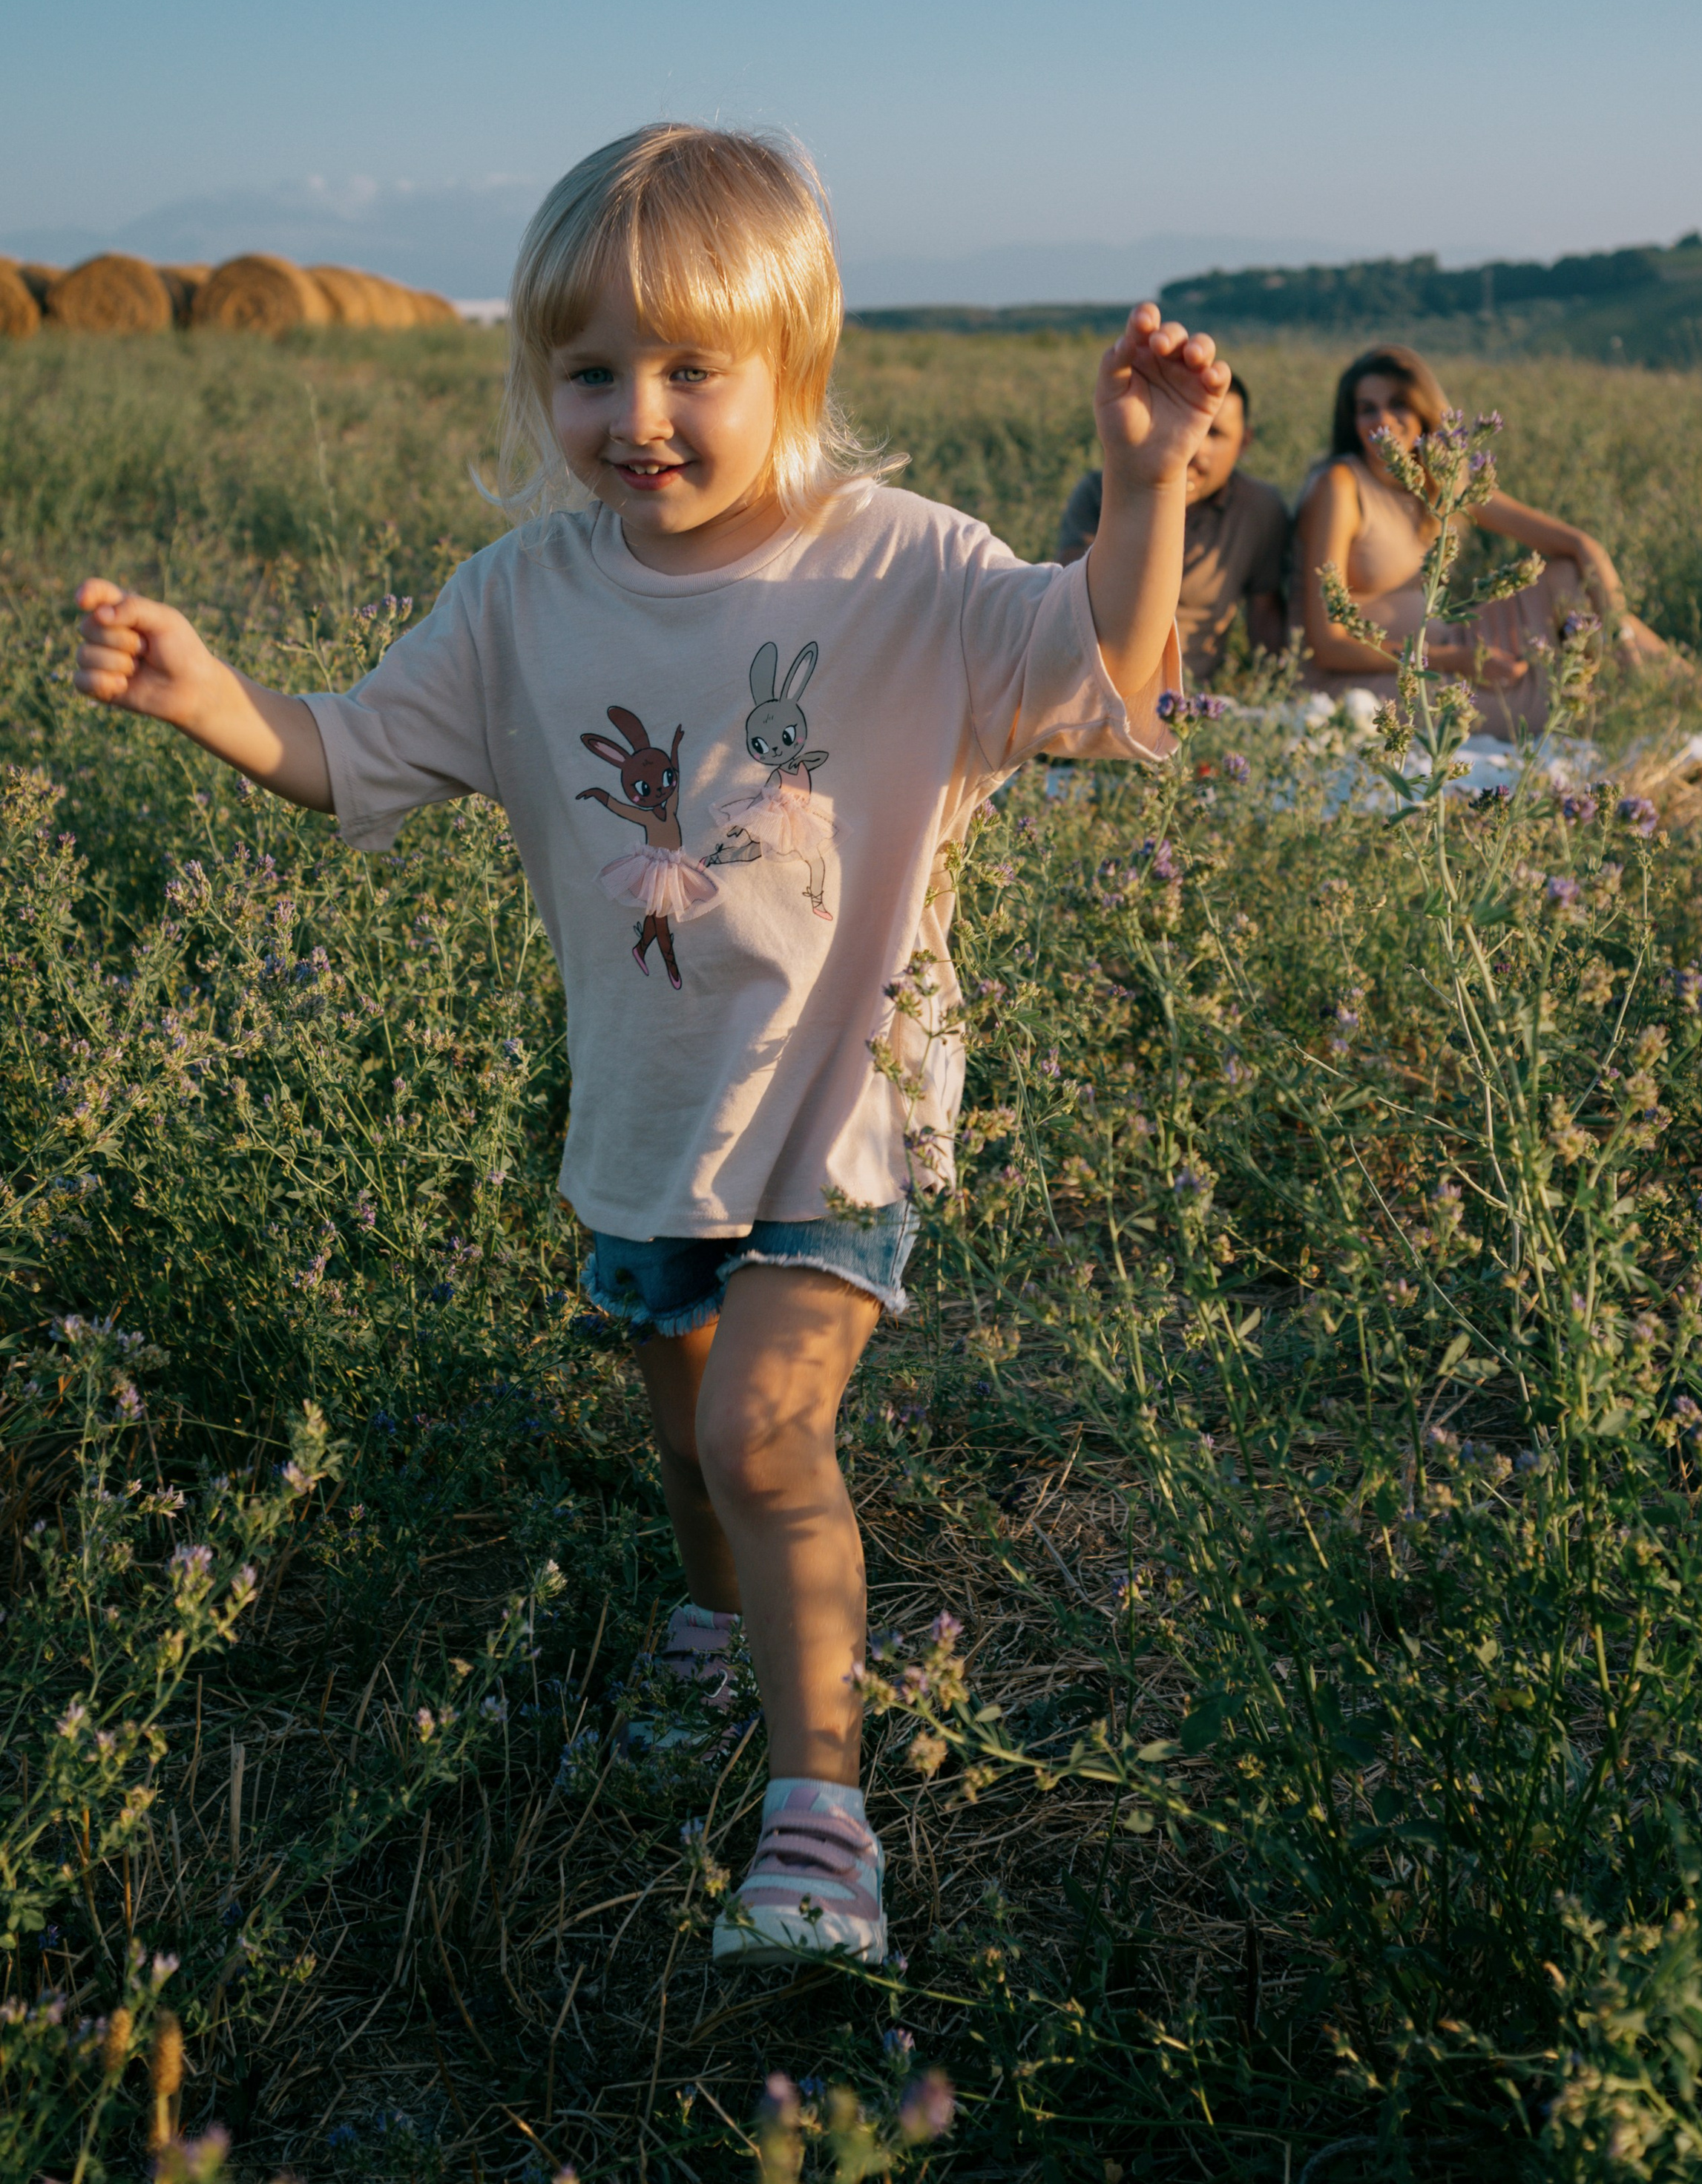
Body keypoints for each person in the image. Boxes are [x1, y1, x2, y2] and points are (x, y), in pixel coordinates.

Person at [73, 124, 1223, 1970]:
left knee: (767, 1439)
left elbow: (1095, 671)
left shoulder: (902, 569)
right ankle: (708, 1631)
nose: (639, 415)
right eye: (591, 370)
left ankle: (820, 1815)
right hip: (644, 1111)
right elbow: (349, 753)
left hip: (838, 1106)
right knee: (689, 1450)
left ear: (795, 363)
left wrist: (1143, 488)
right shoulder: (518, 598)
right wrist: (209, 696)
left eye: (692, 366)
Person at [1295, 343, 1702, 757]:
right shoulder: (1340, 487)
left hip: (1459, 642)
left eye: (1398, 404)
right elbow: (1327, 641)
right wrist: (1455, 662)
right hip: (1386, 678)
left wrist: (1621, 633)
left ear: (1425, 411)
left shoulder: (1439, 480)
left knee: (1567, 580)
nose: (1383, 422)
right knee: (1585, 699)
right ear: (1351, 420)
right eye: (1367, 409)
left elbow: (1577, 545)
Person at [1057, 368, 1287, 680]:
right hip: (1096, 683)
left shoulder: (1258, 509)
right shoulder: (1100, 492)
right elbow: (1071, 607)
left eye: (1214, 433)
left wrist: (1273, 692)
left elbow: (1266, 618)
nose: (1193, 447)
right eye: (1183, 424)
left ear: (1244, 442)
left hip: (1190, 696)